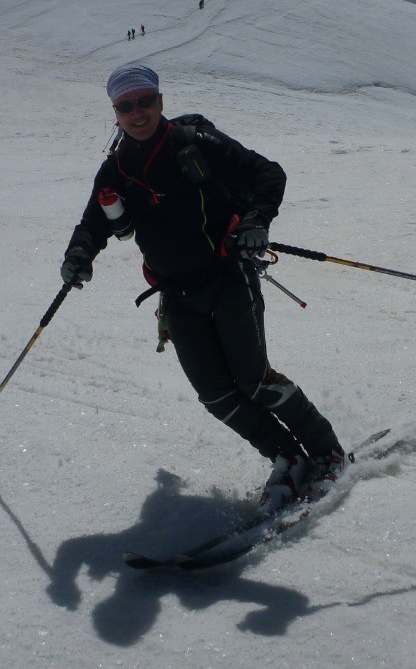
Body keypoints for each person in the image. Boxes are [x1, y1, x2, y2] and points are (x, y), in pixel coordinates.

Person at [60, 64, 346, 514]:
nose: (137, 113)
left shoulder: (193, 143)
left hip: (229, 277)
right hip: (176, 296)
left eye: (145, 102)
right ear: (114, 112)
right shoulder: (114, 170)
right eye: (125, 106)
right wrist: (78, 256)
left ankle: (326, 450)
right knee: (215, 394)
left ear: (160, 101)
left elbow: (268, 174)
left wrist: (256, 221)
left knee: (252, 380)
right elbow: (92, 224)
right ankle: (287, 457)